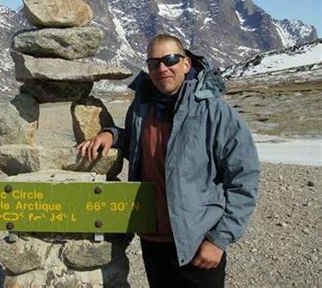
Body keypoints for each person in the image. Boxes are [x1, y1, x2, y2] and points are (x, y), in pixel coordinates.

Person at [77, 33, 259, 287]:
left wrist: (218, 240)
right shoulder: (143, 107)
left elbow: (244, 178)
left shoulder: (215, 112)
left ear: (186, 64)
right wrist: (112, 135)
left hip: (198, 242)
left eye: (170, 59)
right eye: (153, 63)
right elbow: (141, 146)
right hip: (153, 241)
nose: (162, 68)